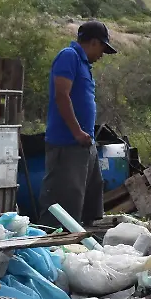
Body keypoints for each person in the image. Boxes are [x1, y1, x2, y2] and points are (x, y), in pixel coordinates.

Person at [42, 21, 117, 225]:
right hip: (67, 143)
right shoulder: (69, 56)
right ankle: (56, 241)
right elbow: (61, 96)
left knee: (90, 196)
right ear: (93, 42)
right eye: (102, 48)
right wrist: (76, 132)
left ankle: (84, 239)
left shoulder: (84, 64)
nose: (102, 54)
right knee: (65, 198)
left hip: (84, 143)